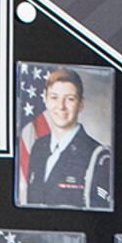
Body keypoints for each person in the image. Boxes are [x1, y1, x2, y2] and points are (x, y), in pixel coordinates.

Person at [23, 69, 113, 210]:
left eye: (70, 99)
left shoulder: (97, 155)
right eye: (54, 98)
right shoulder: (39, 146)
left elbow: (98, 215)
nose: (61, 106)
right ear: (45, 100)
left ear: (81, 104)